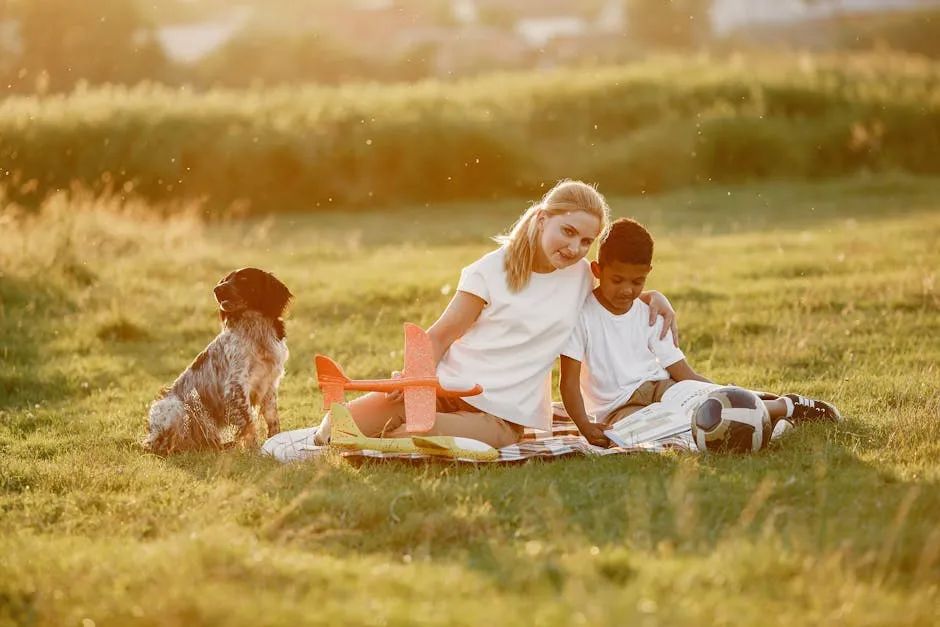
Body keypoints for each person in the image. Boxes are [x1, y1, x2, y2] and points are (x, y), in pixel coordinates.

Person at [312, 181, 677, 449]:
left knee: (409, 437)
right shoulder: (489, 272)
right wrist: (415, 379)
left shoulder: (579, 276)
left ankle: (403, 434)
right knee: (335, 428)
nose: (574, 248)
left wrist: (654, 296)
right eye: (567, 232)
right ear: (542, 219)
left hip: (503, 416)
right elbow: (439, 336)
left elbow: (617, 291)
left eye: (586, 241)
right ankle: (390, 421)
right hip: (448, 389)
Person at [560, 217, 842, 448]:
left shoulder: (650, 312)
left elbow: (682, 372)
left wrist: (724, 392)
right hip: (619, 409)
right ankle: (769, 419)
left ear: (648, 274)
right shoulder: (581, 317)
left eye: (638, 282)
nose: (627, 290)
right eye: (617, 280)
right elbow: (569, 382)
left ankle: (781, 405)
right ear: (597, 270)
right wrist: (584, 425)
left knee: (710, 408)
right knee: (651, 437)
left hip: (664, 387)